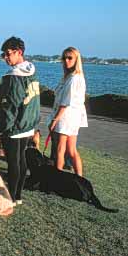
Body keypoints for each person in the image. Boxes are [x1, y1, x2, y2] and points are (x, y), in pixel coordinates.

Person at [0, 36, 40, 205]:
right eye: (3, 55)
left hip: (14, 126)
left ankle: (10, 198)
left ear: (19, 52)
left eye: (8, 54)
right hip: (28, 124)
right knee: (21, 160)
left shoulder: (13, 77)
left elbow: (10, 108)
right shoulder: (32, 72)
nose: (5, 58)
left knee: (14, 163)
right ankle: (18, 196)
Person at [48, 47, 88, 176]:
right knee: (71, 150)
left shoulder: (74, 78)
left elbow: (65, 102)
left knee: (61, 148)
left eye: (70, 58)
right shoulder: (70, 77)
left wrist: (55, 120)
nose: (66, 60)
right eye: (64, 58)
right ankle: (79, 177)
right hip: (72, 117)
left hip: (66, 117)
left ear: (76, 60)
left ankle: (58, 177)